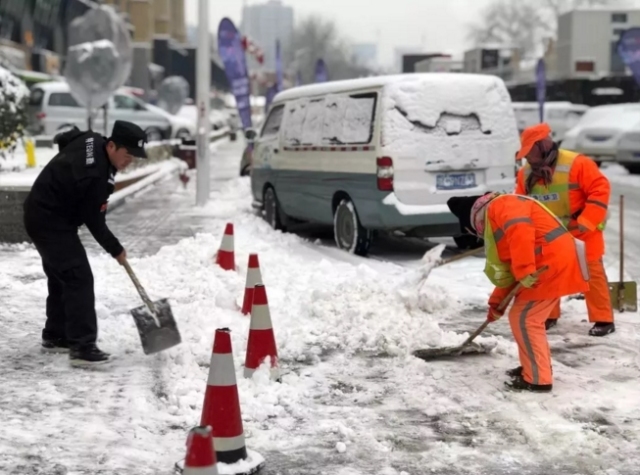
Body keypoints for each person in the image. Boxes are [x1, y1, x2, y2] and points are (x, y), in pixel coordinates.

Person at [23, 120, 148, 366]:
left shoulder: (94, 140)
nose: (129, 161)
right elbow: (95, 221)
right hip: (49, 221)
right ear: (112, 146)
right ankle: (82, 347)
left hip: (43, 213)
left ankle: (56, 336)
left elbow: (68, 138)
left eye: (134, 157)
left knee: (62, 274)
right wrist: (116, 249)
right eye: (128, 154)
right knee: (79, 277)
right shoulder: (96, 176)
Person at [447, 191, 590, 392]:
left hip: (549, 262)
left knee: (526, 319)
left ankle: (538, 379)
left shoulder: (501, 205)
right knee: (525, 318)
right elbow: (511, 269)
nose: (478, 234)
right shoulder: (497, 214)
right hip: (546, 261)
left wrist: (524, 269)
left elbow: (520, 230)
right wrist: (496, 304)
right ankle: (534, 368)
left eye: (474, 231)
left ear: (473, 219)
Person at [515, 123, 614, 337]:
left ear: (542, 146)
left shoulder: (577, 163)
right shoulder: (525, 174)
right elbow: (521, 204)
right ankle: (549, 315)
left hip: (582, 231)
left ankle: (604, 319)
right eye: (525, 155)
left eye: (530, 153)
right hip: (549, 236)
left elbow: (600, 189)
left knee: (591, 274)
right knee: (548, 274)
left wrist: (587, 221)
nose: (528, 159)